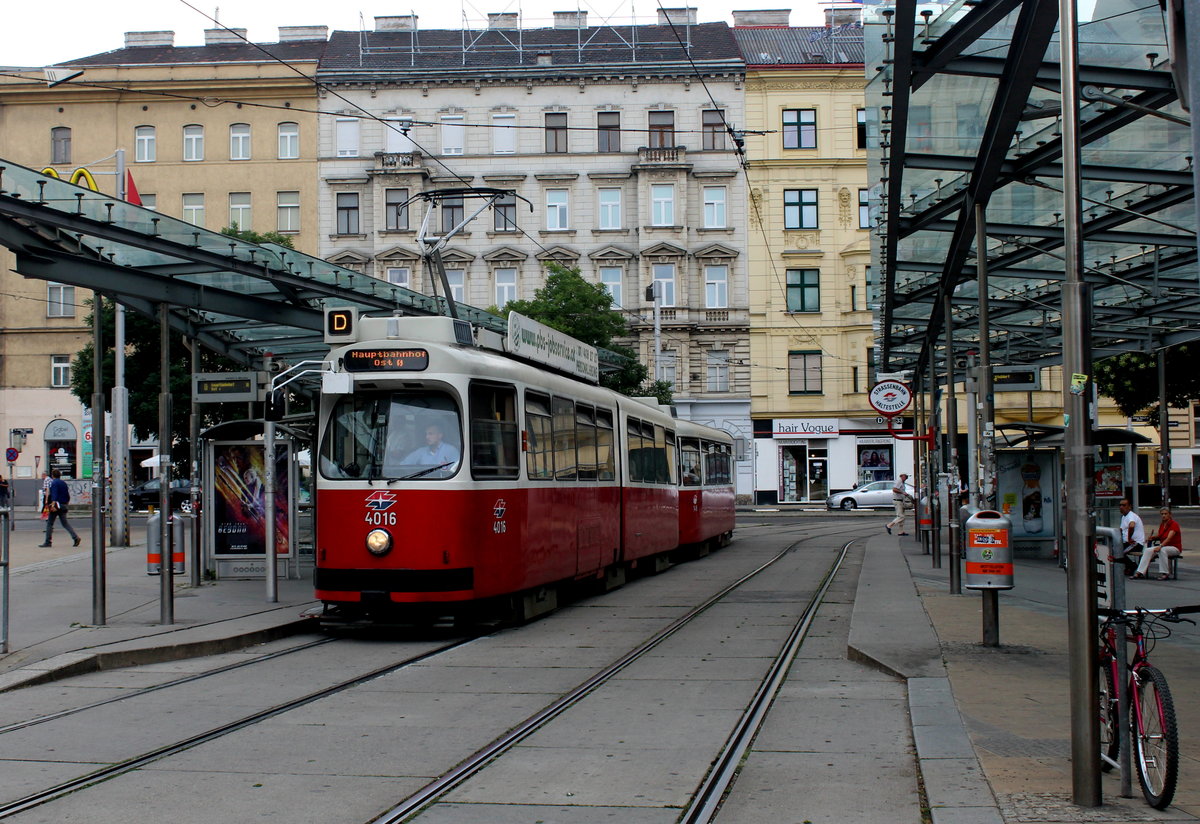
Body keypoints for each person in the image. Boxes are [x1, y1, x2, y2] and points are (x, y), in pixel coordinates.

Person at [1135, 507, 1183, 580]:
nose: (1163, 516)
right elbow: (1160, 536)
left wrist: (1160, 546)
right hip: (1164, 546)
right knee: (1148, 550)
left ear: (1170, 515)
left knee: (1162, 550)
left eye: (1165, 514)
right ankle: (1140, 572)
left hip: (1174, 548)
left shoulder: (1174, 524)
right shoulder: (1162, 524)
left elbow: (1169, 538)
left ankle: (1165, 573)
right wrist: (1153, 538)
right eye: (1162, 514)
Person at [39, 469, 80, 547]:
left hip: (56, 505)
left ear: (52, 475)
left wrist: (53, 504)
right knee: (65, 523)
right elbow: (67, 495)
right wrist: (66, 503)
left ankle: (48, 542)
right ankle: (75, 537)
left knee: (50, 523)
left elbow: (54, 494)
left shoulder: (54, 483)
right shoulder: (63, 483)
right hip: (64, 505)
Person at [1118, 498, 1145, 574]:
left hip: (1136, 543)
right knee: (1115, 550)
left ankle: (1132, 566)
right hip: (1128, 543)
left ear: (1129, 506)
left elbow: (1132, 526)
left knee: (1119, 552)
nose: (1121, 507)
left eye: (1124, 505)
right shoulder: (1124, 517)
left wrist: (1129, 538)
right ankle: (1129, 566)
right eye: (1120, 505)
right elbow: (1121, 529)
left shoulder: (1131, 516)